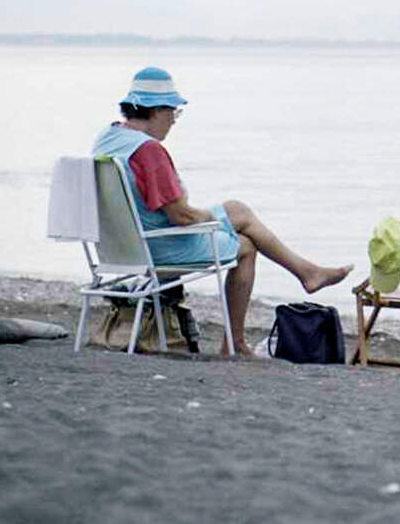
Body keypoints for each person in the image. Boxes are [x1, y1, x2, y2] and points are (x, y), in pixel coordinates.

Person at [92, 66, 349, 355]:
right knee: (244, 237)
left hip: (120, 248)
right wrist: (213, 217)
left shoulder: (108, 138)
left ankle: (305, 275)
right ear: (156, 110)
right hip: (158, 249)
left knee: (239, 219)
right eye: (172, 112)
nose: (174, 121)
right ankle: (236, 341)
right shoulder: (148, 151)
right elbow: (181, 216)